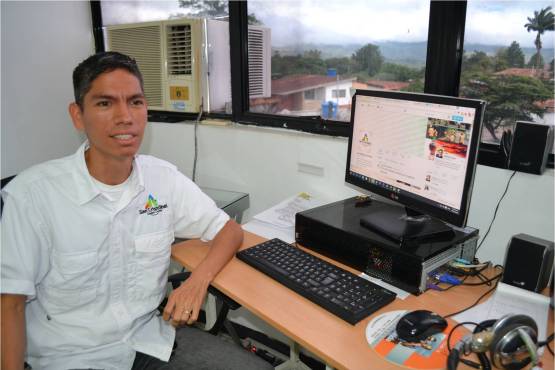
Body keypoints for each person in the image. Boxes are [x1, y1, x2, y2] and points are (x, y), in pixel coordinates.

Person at [1, 52, 272, 370]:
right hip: (70, 356)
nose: (125, 117)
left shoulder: (162, 179)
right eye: (105, 103)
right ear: (78, 115)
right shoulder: (33, 195)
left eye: (135, 102)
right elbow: (11, 305)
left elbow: (229, 230)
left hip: (147, 340)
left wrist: (196, 282)